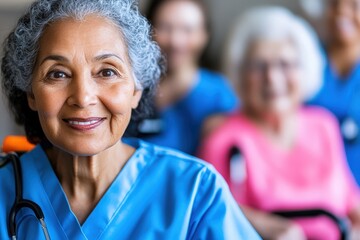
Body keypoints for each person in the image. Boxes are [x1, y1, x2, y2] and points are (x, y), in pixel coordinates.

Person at [0, 0, 260, 239]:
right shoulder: (5, 190)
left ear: (136, 90)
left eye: (107, 72)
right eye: (58, 74)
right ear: (31, 93)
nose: (83, 97)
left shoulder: (197, 192)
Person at [198, 6, 360, 240]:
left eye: (285, 64)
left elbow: (349, 199)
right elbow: (212, 210)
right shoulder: (223, 138)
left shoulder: (323, 125)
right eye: (259, 66)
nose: (272, 78)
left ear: (304, 70)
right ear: (240, 74)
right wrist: (268, 226)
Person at [126, 0, 238, 155]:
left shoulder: (218, 97)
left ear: (204, 35)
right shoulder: (130, 86)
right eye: (165, 27)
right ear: (148, 30)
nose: (176, 41)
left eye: (188, 30)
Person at [309, 0, 360, 185]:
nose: (342, 13)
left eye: (354, 6)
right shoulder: (304, 60)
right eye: (334, 5)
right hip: (314, 188)